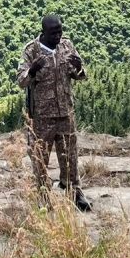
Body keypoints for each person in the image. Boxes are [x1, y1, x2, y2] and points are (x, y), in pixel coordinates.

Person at [16, 14, 91, 211]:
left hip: (65, 112)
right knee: (40, 157)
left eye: (60, 31)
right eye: (53, 33)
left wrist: (79, 69)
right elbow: (21, 81)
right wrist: (32, 70)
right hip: (42, 116)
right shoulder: (31, 50)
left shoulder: (67, 46)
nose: (58, 36)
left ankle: (73, 191)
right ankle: (43, 194)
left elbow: (81, 76)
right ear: (44, 32)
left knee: (70, 155)